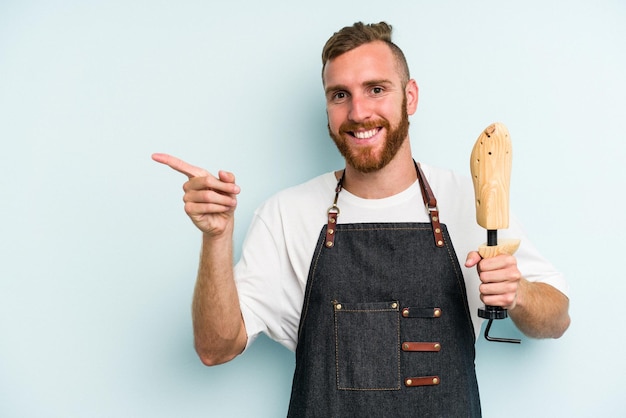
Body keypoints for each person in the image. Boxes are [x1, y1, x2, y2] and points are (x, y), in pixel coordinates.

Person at [152, 21, 570, 417]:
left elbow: (557, 319)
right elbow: (215, 348)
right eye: (340, 95)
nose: (358, 112)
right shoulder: (287, 213)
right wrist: (216, 238)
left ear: (410, 97)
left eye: (376, 89)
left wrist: (519, 292)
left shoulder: (471, 200)